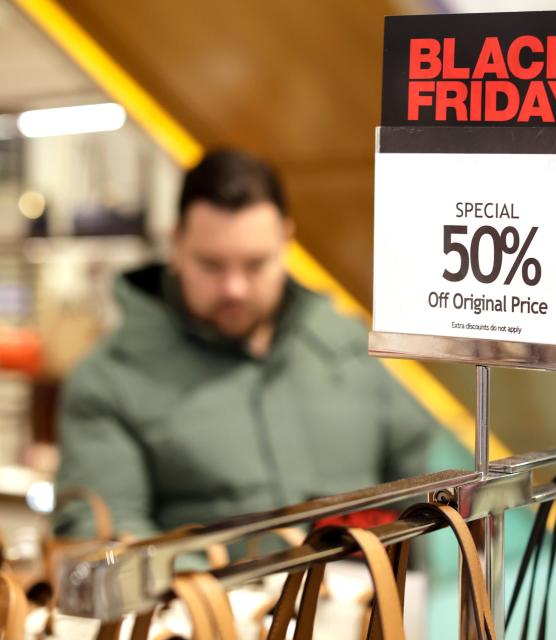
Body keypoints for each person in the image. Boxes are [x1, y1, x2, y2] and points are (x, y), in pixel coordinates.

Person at [54, 149, 440, 540]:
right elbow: (105, 538)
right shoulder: (109, 379)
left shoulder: (356, 348)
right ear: (176, 245)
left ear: (286, 242)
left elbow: (424, 498)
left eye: (255, 264)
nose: (234, 288)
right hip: (202, 600)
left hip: (368, 599)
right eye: (211, 265)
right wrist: (215, 590)